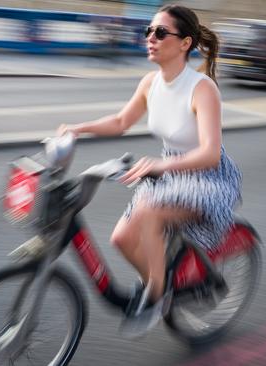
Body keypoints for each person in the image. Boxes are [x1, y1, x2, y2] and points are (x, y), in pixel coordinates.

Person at [58, 4, 242, 334]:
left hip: (207, 176)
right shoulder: (150, 83)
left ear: (185, 43)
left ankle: (157, 298)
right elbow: (120, 121)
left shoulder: (202, 88)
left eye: (160, 33)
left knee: (151, 214)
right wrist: (77, 128)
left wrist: (160, 164)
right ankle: (162, 282)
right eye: (148, 31)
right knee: (122, 238)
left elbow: (210, 154)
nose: (150, 38)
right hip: (170, 170)